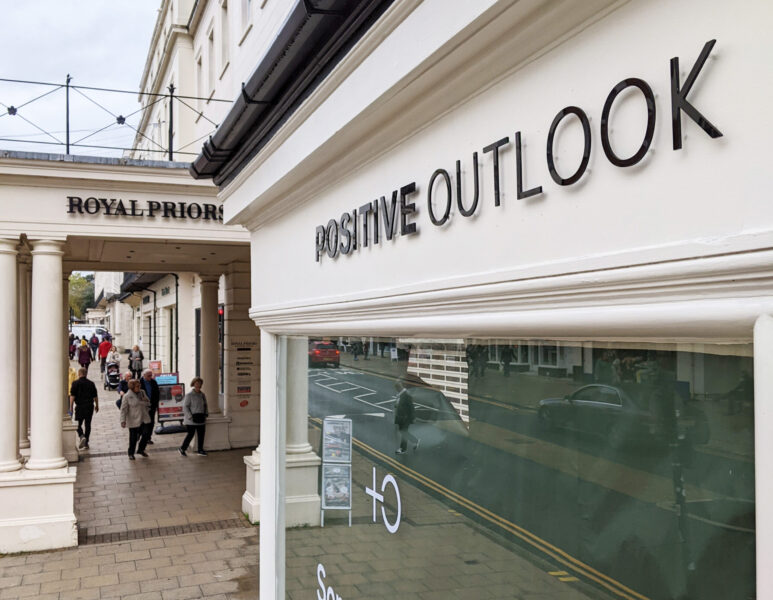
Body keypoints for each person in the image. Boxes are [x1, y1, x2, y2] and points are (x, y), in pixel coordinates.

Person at [119, 379, 151, 460]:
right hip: (133, 419)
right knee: (133, 438)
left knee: (146, 434)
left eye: (139, 385)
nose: (139, 387)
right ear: (132, 387)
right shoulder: (127, 396)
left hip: (144, 417)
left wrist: (145, 401)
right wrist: (123, 420)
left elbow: (148, 403)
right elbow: (123, 409)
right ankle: (131, 453)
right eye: (137, 386)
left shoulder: (142, 392)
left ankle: (141, 449)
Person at [69, 367, 99, 450]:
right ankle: (86, 442)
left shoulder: (75, 383)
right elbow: (95, 396)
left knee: (77, 424)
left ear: (79, 374)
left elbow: (72, 396)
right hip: (89, 406)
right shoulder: (91, 383)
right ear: (86, 374)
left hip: (80, 407)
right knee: (88, 424)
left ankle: (81, 436)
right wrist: (97, 405)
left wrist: (71, 407)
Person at [179, 377, 208, 456]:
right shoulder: (189, 395)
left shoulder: (202, 395)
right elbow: (185, 407)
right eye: (196, 383)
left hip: (201, 418)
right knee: (190, 435)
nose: (198, 385)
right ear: (193, 384)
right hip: (191, 420)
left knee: (201, 435)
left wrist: (206, 414)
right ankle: (182, 448)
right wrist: (190, 417)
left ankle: (200, 450)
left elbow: (205, 405)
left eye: (200, 383)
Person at [394, 378, 419, 455]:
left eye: (397, 387)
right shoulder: (400, 395)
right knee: (404, 432)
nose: (396, 389)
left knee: (403, 432)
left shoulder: (406, 395)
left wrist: (413, 417)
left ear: (400, 387)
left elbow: (411, 407)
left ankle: (403, 449)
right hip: (401, 417)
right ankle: (415, 441)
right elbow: (397, 405)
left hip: (406, 418)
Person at [140, 370, 160, 444]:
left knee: (151, 422)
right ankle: (141, 435)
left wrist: (155, 404)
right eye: (148, 376)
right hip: (143, 407)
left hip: (152, 406)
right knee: (143, 422)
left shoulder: (153, 382)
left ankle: (148, 438)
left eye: (151, 375)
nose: (150, 377)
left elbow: (157, 393)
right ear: (144, 375)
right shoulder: (139, 382)